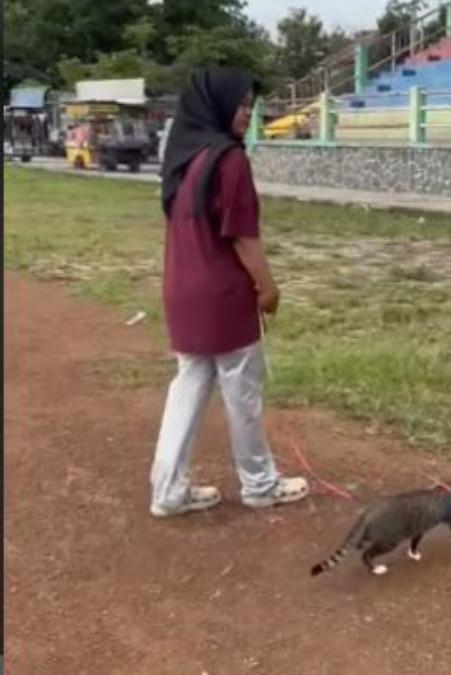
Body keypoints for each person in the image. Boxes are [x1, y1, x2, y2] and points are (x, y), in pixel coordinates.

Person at [149, 68, 308, 517]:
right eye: (240, 105)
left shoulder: (183, 158)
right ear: (217, 105)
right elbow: (242, 237)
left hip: (182, 292)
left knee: (188, 387)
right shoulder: (230, 160)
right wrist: (269, 286)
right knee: (243, 394)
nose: (246, 113)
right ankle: (260, 484)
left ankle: (168, 491)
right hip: (223, 296)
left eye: (250, 106)